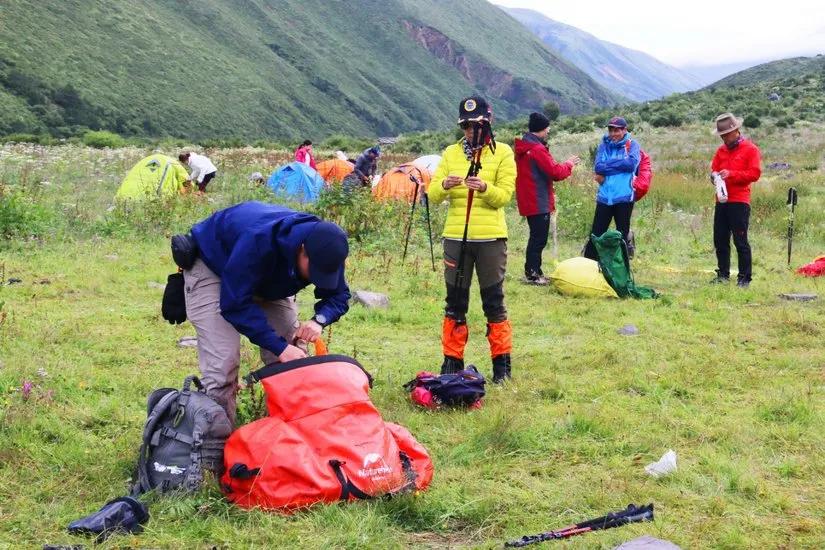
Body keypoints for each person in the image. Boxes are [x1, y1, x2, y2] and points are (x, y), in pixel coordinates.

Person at [182, 201, 351, 423]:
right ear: (302, 250)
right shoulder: (259, 242)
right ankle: (213, 444)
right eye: (314, 272)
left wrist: (318, 321)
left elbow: (339, 296)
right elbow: (234, 305)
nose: (316, 278)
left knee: (292, 359)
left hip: (265, 278)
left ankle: (293, 428)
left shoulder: (326, 249)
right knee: (223, 365)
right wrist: (279, 347)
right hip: (213, 265)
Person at [428, 96, 516, 383]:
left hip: (491, 238)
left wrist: (485, 188)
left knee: (493, 301)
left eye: (475, 124)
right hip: (455, 237)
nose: (470, 130)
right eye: (465, 125)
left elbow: (504, 196)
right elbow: (433, 194)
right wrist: (443, 184)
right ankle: (452, 364)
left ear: (487, 122)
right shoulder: (450, 153)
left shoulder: (503, 153)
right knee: (454, 302)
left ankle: (502, 369)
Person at [514, 112, 581, 284]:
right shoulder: (537, 150)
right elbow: (556, 173)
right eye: (547, 128)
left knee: (535, 237)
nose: (549, 130)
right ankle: (533, 275)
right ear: (541, 129)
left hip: (529, 198)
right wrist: (569, 164)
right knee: (539, 239)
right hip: (538, 199)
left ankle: (534, 271)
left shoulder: (524, 147)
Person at [709, 112, 761, 288]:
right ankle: (723, 275)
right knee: (720, 239)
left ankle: (744, 278)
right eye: (721, 135)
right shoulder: (721, 151)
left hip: (739, 201)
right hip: (721, 200)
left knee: (740, 240)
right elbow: (714, 169)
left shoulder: (751, 149)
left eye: (726, 135)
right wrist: (714, 176)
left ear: (736, 131)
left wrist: (732, 174)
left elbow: (754, 174)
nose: (723, 138)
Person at [582, 117, 641, 260]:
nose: (613, 134)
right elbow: (598, 167)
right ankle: (588, 264)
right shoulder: (603, 145)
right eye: (611, 130)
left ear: (624, 130)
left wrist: (608, 166)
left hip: (624, 197)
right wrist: (619, 165)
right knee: (596, 234)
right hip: (604, 197)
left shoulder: (632, 145)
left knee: (621, 235)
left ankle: (621, 267)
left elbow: (631, 165)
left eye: (617, 130)